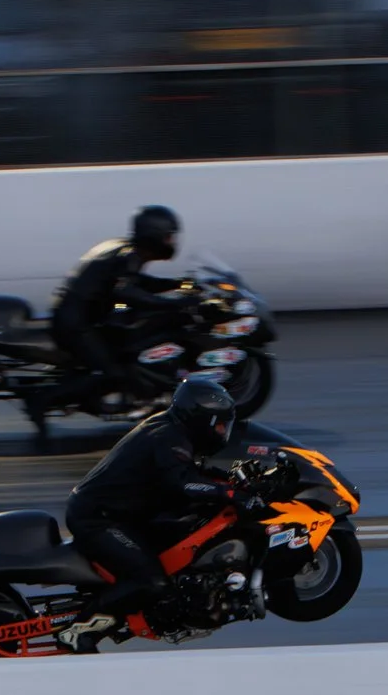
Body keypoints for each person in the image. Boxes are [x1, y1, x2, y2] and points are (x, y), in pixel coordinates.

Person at [55, 377, 243, 653]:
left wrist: (233, 479)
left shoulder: (174, 430)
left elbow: (189, 472)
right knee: (151, 581)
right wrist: (229, 493)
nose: (222, 431)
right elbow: (184, 483)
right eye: (220, 424)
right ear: (201, 419)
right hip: (98, 519)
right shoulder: (166, 437)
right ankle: (77, 632)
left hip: (123, 514)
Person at [33, 205, 189, 427]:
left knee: (123, 353)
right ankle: (41, 401)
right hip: (75, 322)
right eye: (168, 237)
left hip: (82, 315)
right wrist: (172, 303)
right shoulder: (128, 255)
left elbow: (139, 282)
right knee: (111, 372)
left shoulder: (127, 251)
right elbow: (126, 291)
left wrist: (179, 284)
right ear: (153, 236)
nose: (172, 242)